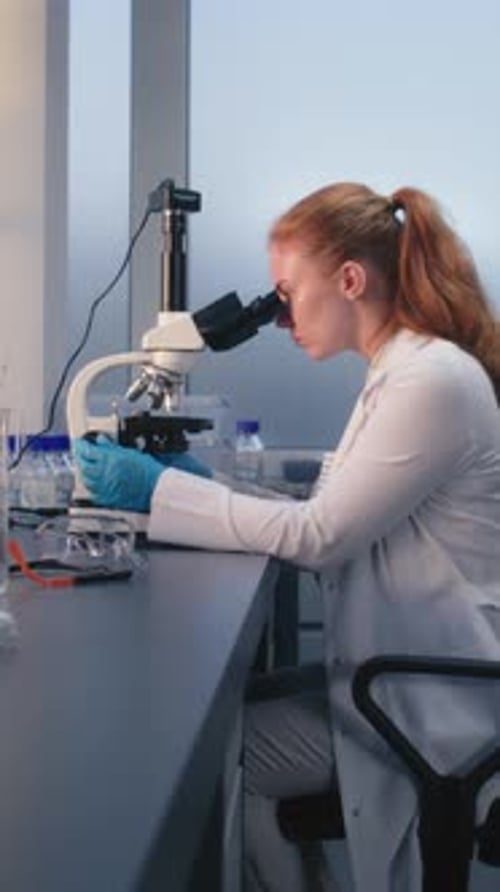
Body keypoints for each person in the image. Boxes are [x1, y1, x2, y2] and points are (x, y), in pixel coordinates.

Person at [74, 182, 500, 892]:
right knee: (236, 715)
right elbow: (334, 510)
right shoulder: (403, 372)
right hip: (398, 673)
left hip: (431, 700)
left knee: (216, 758)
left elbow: (320, 536)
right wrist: (200, 485)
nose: (279, 314)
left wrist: (162, 492)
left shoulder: (429, 381)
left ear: (351, 280)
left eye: (286, 292)